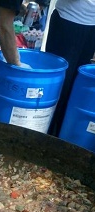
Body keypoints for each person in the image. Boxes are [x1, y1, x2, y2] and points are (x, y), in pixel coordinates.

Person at [43, 0, 95, 137]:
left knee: (78, 87)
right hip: (68, 21)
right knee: (60, 85)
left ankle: (63, 135)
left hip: (92, 27)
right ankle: (45, 134)